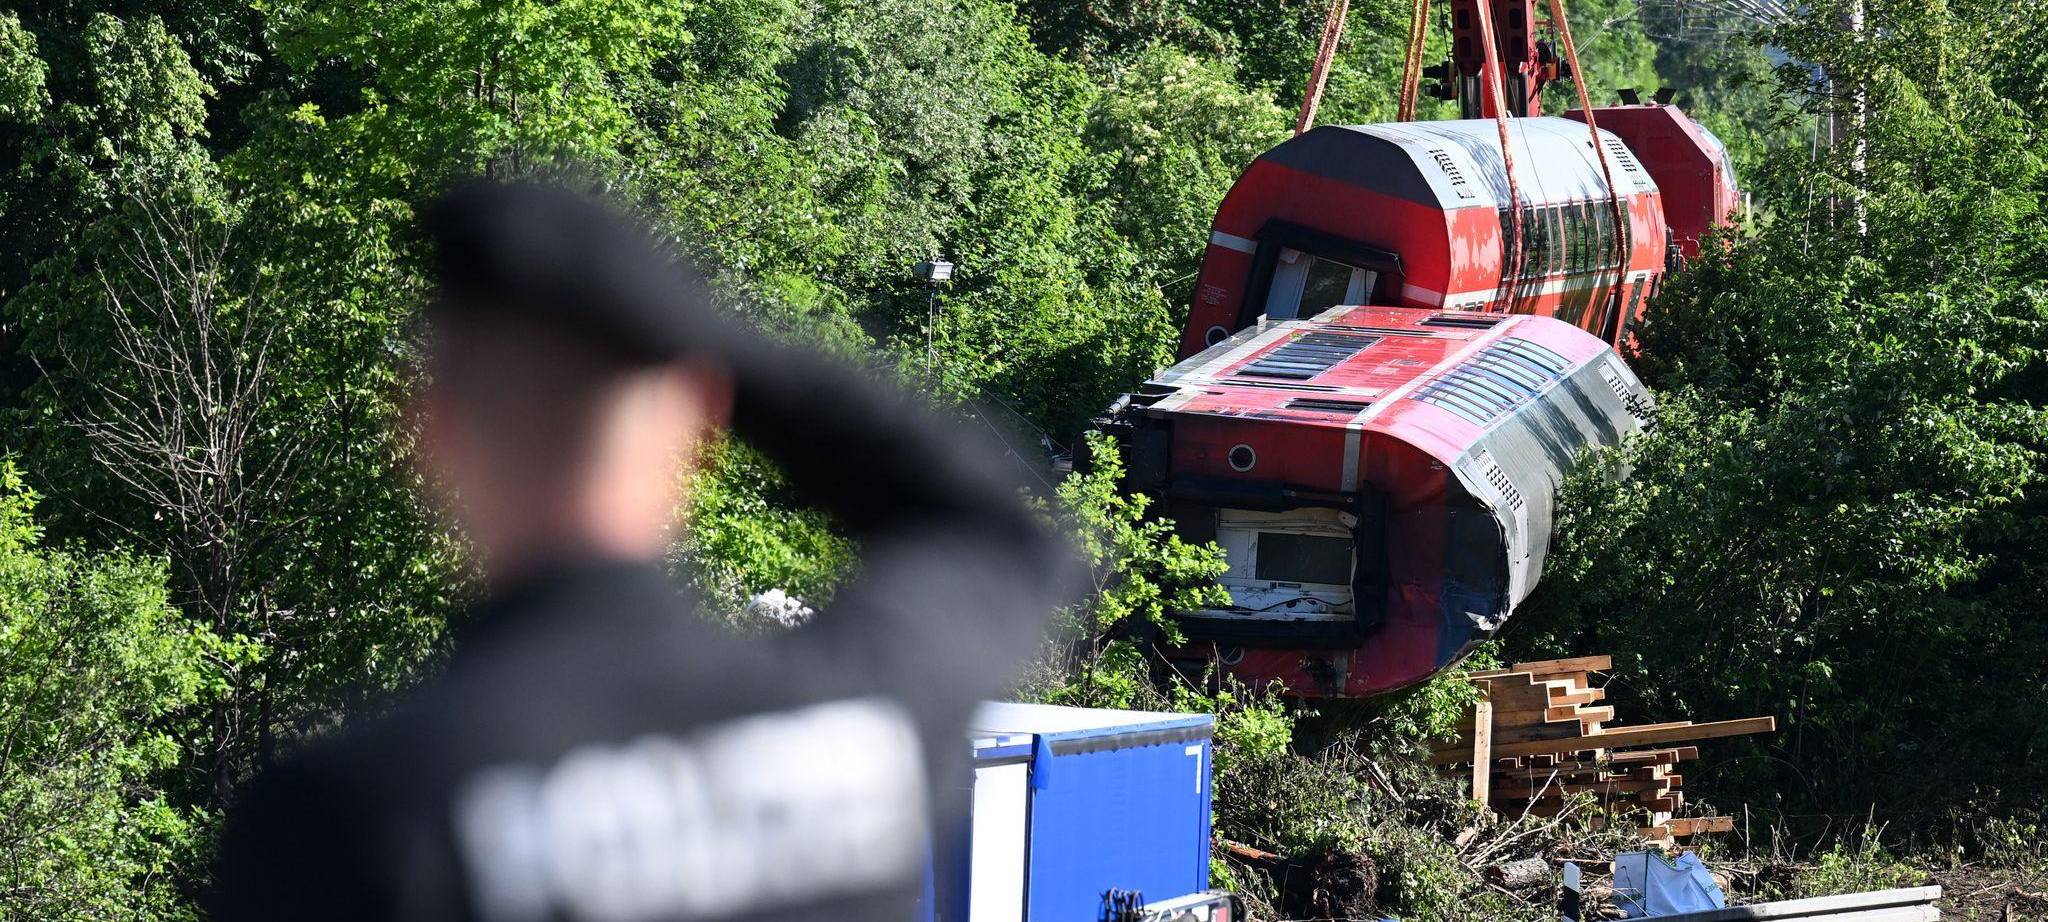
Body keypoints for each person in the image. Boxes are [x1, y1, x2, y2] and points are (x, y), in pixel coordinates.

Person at [210, 181, 1081, 922]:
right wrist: (713, 346)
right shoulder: (865, 714)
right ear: (703, 424)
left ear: (430, 435)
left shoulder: (350, 819)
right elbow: (991, 521)